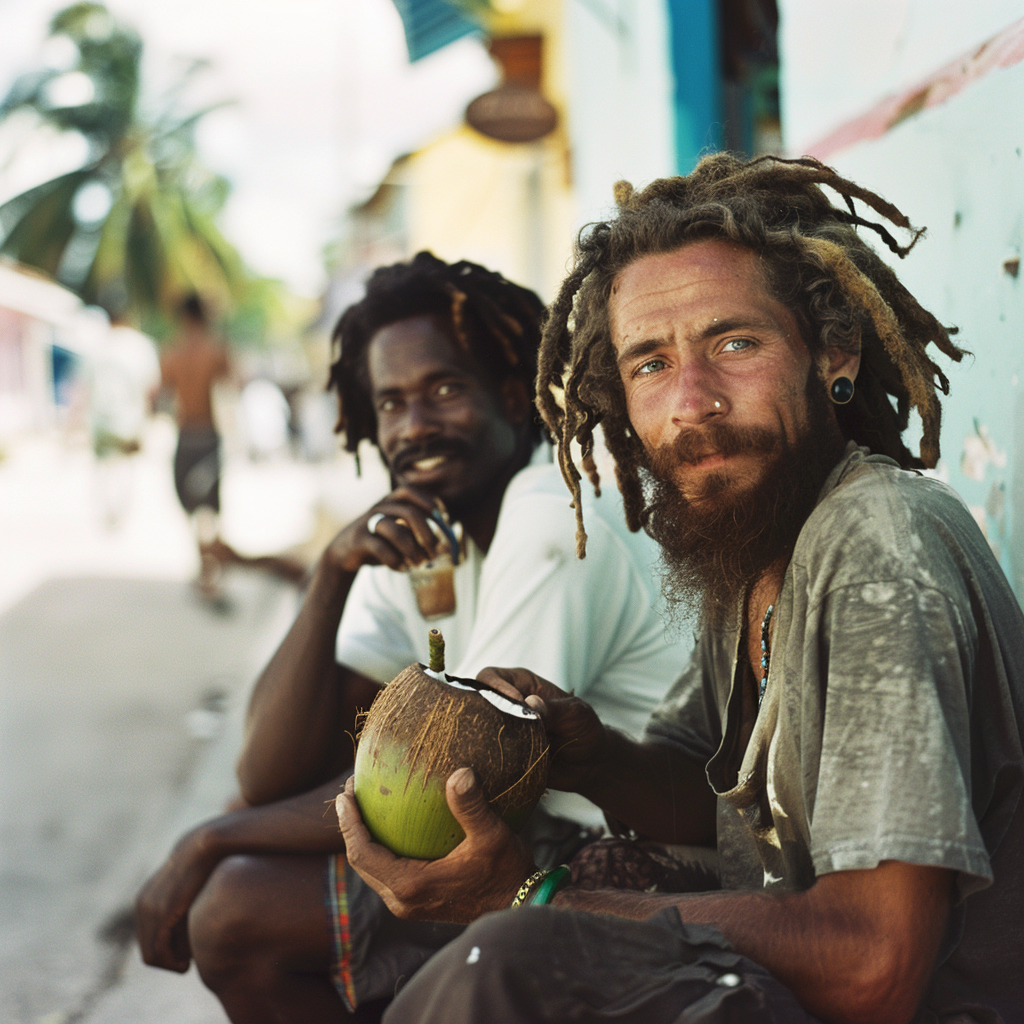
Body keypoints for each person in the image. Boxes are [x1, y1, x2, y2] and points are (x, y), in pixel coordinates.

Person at [334, 157, 1024, 1024]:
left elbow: (873, 966)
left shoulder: (875, 546)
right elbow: (715, 818)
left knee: (507, 960)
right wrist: (595, 756)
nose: (691, 403)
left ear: (833, 351)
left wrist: (532, 896)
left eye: (736, 343)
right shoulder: (748, 542)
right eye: (651, 364)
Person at [135, 252, 692, 1022]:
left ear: (510, 392)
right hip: (537, 831)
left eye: (444, 390)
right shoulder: (432, 524)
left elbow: (443, 785)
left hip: (646, 853)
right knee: (244, 883)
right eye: (391, 403)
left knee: (238, 910)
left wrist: (207, 841)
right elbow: (271, 771)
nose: (414, 426)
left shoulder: (557, 510)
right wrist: (332, 572)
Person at [159, 292, 231, 597]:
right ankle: (209, 568)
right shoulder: (216, 350)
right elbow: (230, 392)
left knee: (192, 507)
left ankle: (205, 568)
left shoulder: (171, 353)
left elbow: (162, 397)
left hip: (185, 435)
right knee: (208, 510)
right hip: (209, 435)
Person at [87, 305, 160, 528]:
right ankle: (120, 510)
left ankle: (108, 509)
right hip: (129, 421)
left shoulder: (97, 345)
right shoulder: (141, 345)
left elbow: (83, 387)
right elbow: (153, 388)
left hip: (99, 421)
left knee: (102, 468)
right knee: (127, 466)